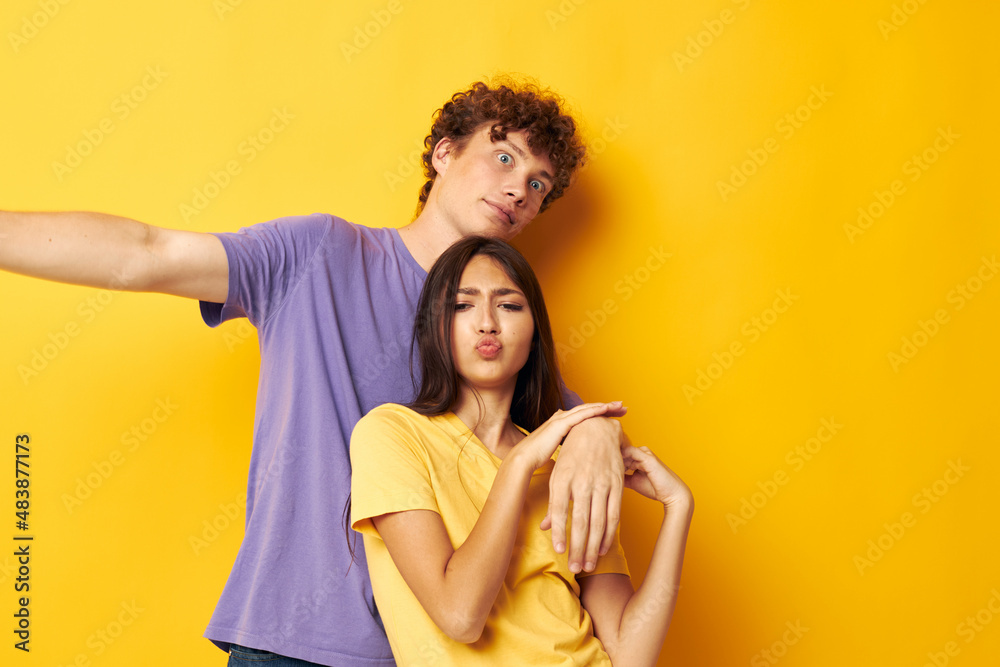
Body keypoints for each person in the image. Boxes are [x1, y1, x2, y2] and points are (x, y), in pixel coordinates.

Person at [0, 79, 630, 666]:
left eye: (540, 182)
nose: (520, 188)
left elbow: (584, 434)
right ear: (443, 154)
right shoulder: (319, 254)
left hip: (441, 651)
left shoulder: (501, 333)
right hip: (292, 642)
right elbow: (148, 253)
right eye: (504, 158)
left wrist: (598, 433)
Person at [350, 236, 693, 666]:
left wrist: (678, 507)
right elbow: (460, 616)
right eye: (462, 305)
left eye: (510, 306)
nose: (488, 323)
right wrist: (521, 463)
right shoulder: (391, 434)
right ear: (434, 326)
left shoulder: (570, 471)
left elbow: (629, 656)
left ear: (534, 333)